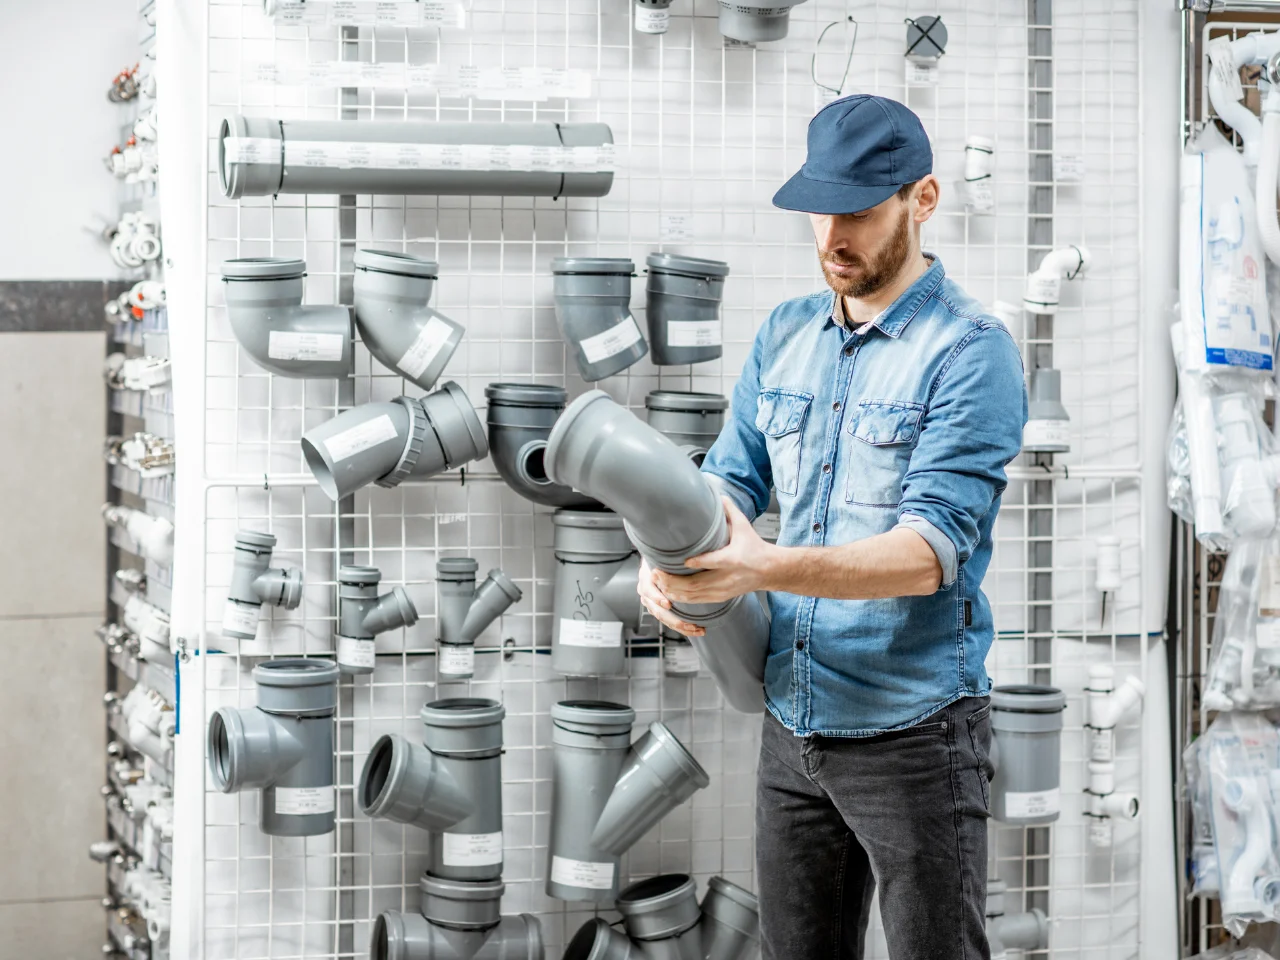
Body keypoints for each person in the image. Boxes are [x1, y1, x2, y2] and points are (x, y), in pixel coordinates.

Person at [636, 94, 1028, 960]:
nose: (831, 237)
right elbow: (724, 486)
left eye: (856, 212)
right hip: (794, 726)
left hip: (916, 736)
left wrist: (757, 570)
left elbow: (927, 556)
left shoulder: (971, 352)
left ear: (921, 201)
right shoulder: (784, 336)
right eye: (819, 210)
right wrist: (661, 562)